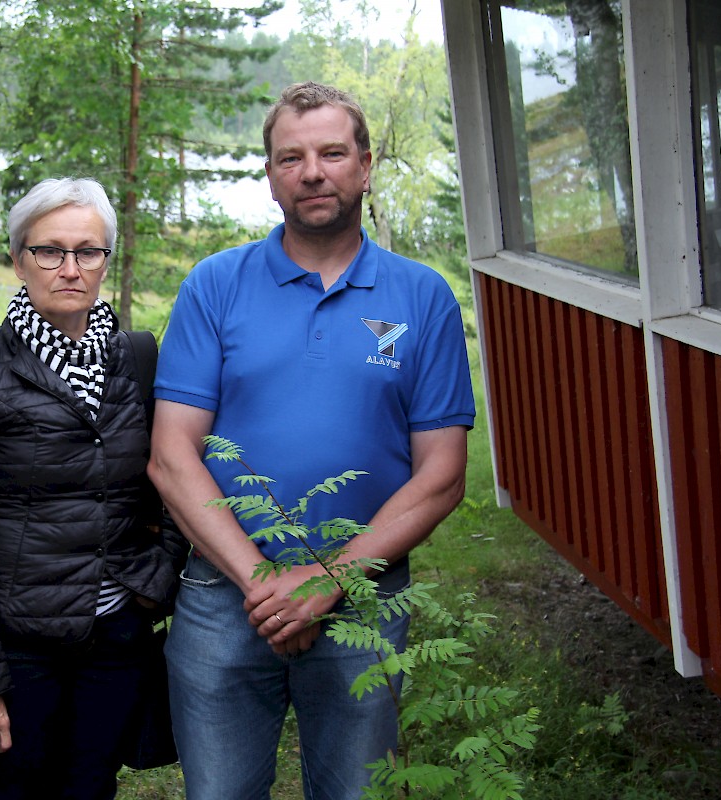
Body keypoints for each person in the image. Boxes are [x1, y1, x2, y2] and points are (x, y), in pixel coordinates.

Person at [147, 82, 476, 799]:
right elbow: (172, 456)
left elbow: (443, 475)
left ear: (365, 165)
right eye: (290, 157)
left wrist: (327, 583)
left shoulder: (422, 297)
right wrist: (265, 584)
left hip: (364, 595)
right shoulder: (215, 286)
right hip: (221, 595)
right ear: (270, 176)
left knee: (357, 793)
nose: (312, 171)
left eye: (331, 152)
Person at [0, 177, 186, 800]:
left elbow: (178, 476)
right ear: (19, 259)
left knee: (91, 789)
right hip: (20, 649)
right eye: (50, 251)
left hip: (116, 637)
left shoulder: (140, 361)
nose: (70, 268)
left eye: (87, 251)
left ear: (105, 261)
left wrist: (155, 582)